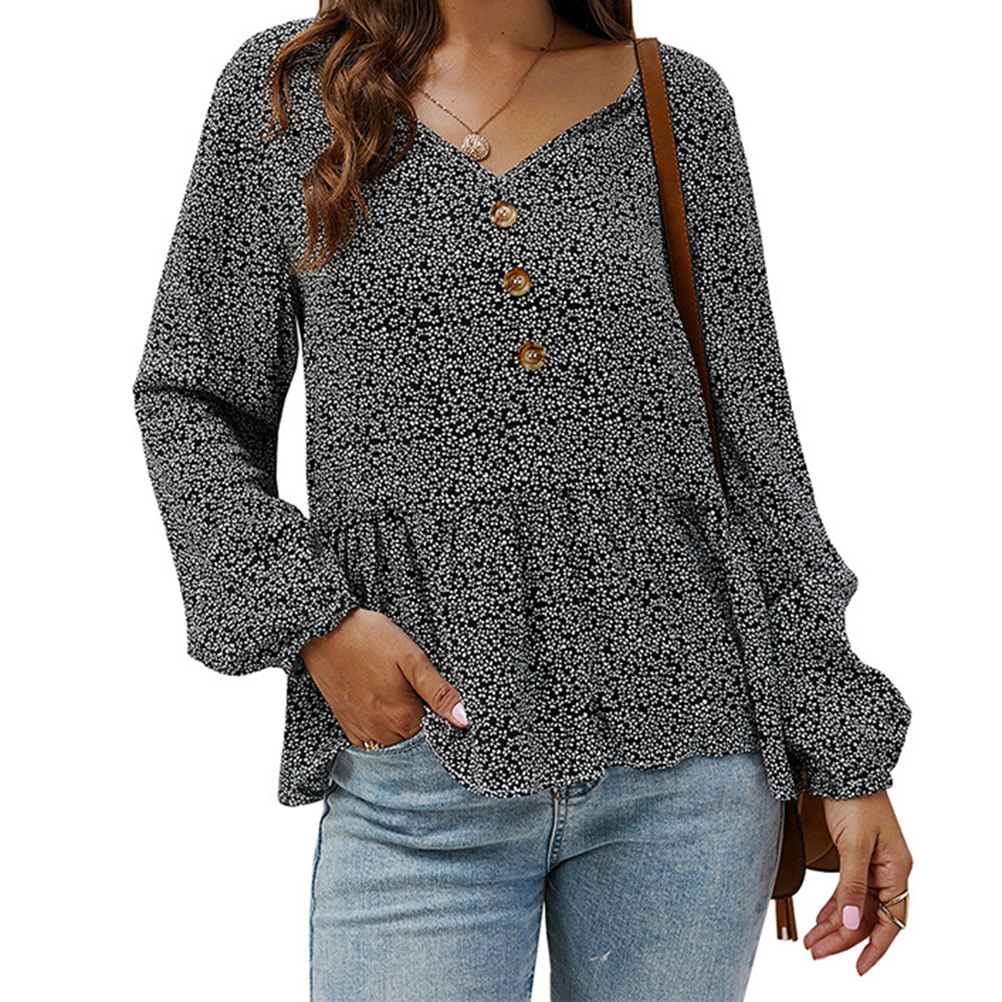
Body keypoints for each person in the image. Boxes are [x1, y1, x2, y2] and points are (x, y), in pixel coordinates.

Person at [131, 2, 913, 999]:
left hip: (694, 777)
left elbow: (756, 450)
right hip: (421, 774)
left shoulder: (676, 102)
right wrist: (316, 622)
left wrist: (847, 751)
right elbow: (191, 395)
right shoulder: (291, 96)